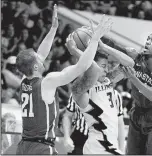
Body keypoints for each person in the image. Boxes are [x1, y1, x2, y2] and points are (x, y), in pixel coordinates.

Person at [15, 4, 112, 154]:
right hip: (41, 147)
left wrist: (53, 29)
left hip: (24, 146)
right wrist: (94, 40)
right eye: (38, 59)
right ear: (35, 67)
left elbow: (41, 53)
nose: (43, 59)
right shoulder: (47, 82)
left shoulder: (24, 80)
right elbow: (81, 67)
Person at [64, 31, 133, 154]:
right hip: (88, 142)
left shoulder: (108, 82)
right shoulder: (81, 87)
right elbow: (94, 70)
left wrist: (104, 47)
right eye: (103, 65)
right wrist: (76, 51)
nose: (107, 69)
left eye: (107, 65)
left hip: (108, 145)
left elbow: (130, 63)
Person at [119, 26, 152, 155]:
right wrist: (99, 43)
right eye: (148, 38)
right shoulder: (137, 58)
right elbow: (116, 48)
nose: (148, 41)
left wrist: (133, 78)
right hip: (137, 113)